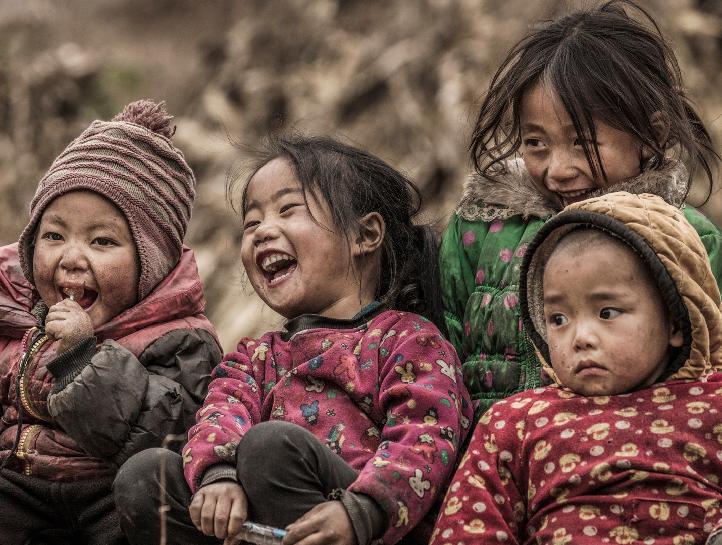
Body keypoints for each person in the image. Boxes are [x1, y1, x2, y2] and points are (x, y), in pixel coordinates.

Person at [113, 135, 474, 545]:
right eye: (252, 223)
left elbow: (425, 438)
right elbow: (220, 414)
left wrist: (362, 510)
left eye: (288, 210)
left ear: (365, 235)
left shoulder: (407, 340)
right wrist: (218, 477)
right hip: (262, 528)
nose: (263, 232)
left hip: (363, 527)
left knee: (270, 446)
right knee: (146, 477)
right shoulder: (255, 357)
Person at [0, 100, 222, 545]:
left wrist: (81, 359)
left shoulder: (180, 337)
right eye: (54, 235)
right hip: (19, 484)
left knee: (146, 506)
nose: (71, 258)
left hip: (109, 496)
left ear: (151, 264)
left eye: (102, 240)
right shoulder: (7, 313)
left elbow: (170, 433)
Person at [439, 0, 722, 422]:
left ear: (652, 134)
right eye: (536, 143)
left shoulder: (683, 237)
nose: (558, 170)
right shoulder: (481, 226)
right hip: (489, 463)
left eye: (584, 144)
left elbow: (706, 366)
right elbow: (442, 357)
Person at [429, 192, 722, 545]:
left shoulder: (712, 405)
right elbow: (467, 530)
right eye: (558, 319)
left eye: (607, 313)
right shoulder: (516, 422)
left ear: (675, 321)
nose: (580, 337)